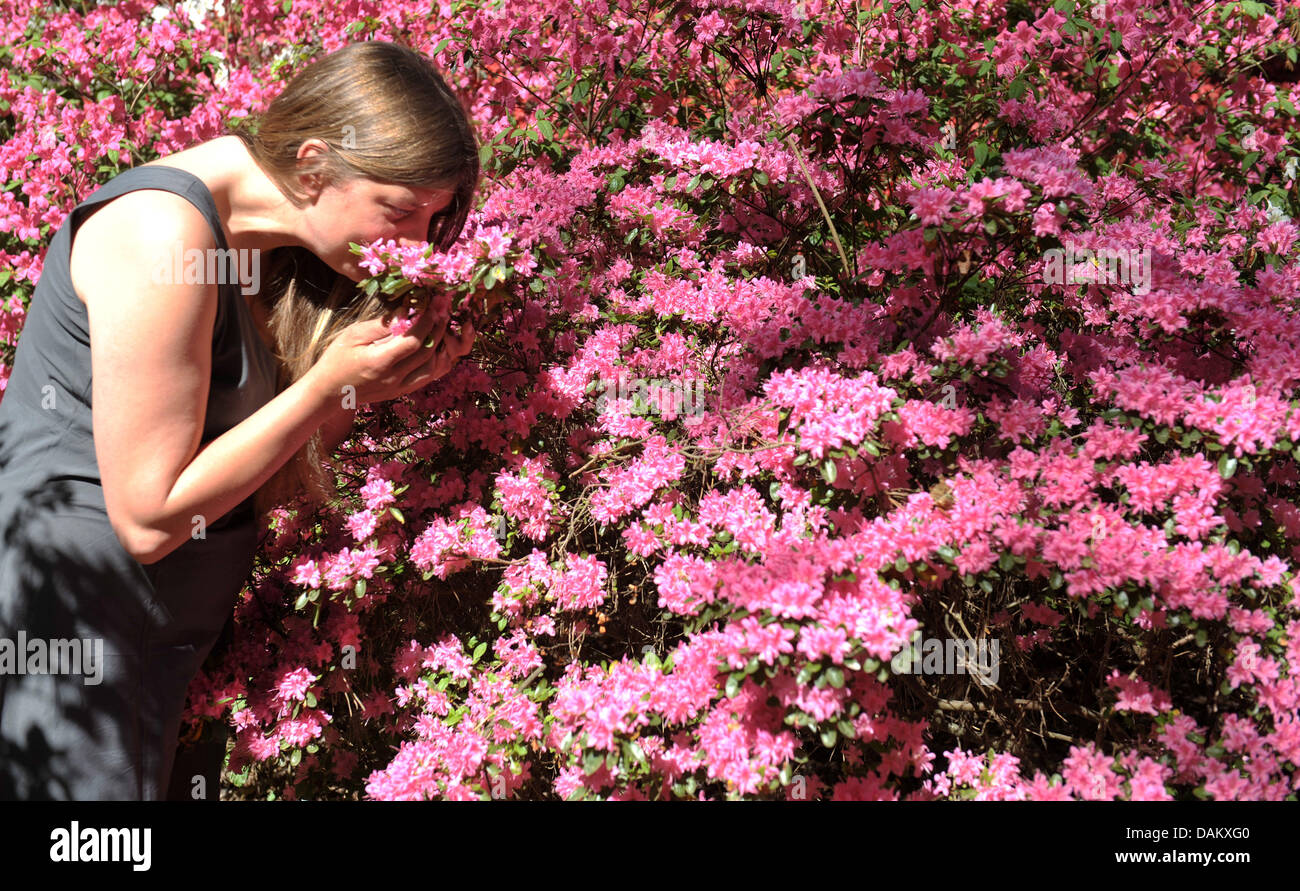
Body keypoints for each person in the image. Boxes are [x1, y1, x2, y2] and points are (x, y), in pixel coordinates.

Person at [0, 39, 481, 800]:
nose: (415, 246)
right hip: (73, 641)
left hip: (161, 652)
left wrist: (372, 387)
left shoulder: (265, 254)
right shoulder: (164, 234)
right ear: (315, 163)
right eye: (400, 211)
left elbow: (252, 484)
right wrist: (326, 387)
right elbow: (150, 518)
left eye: (436, 221)